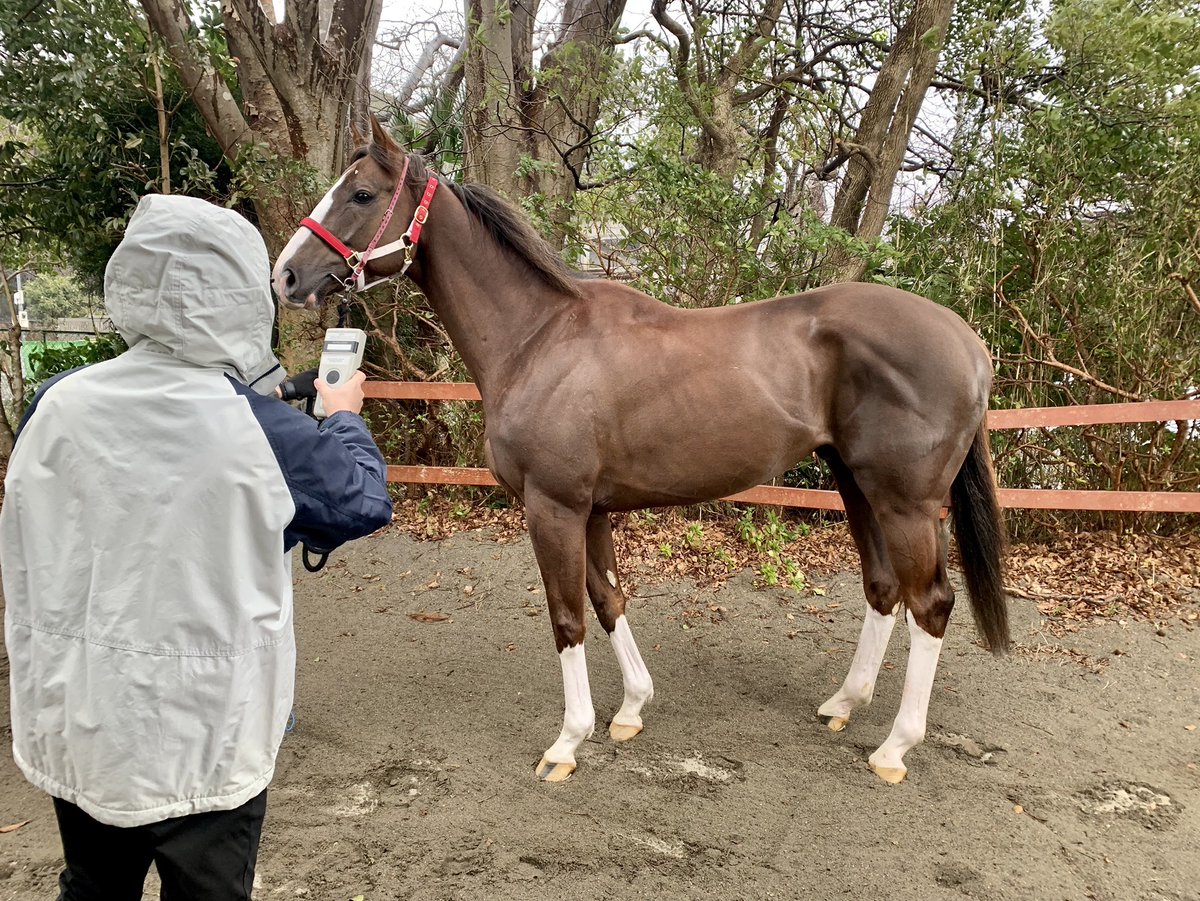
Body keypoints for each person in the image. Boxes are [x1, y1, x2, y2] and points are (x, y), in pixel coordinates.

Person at [1, 194, 393, 900]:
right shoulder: (263, 429)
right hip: (208, 730)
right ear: (242, 297)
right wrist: (341, 418)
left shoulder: (54, 404)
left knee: (92, 885)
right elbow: (358, 500)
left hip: (84, 717)